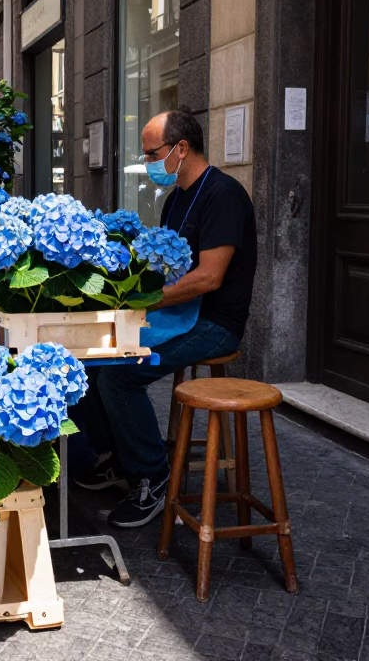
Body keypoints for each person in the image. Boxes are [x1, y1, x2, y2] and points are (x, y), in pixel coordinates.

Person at [73, 110, 257, 528]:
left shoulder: (223, 196)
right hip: (175, 314)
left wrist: (143, 303)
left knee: (120, 375)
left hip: (213, 324)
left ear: (181, 148)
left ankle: (154, 477)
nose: (148, 161)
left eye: (152, 153)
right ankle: (119, 458)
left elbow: (209, 278)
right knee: (86, 357)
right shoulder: (175, 197)